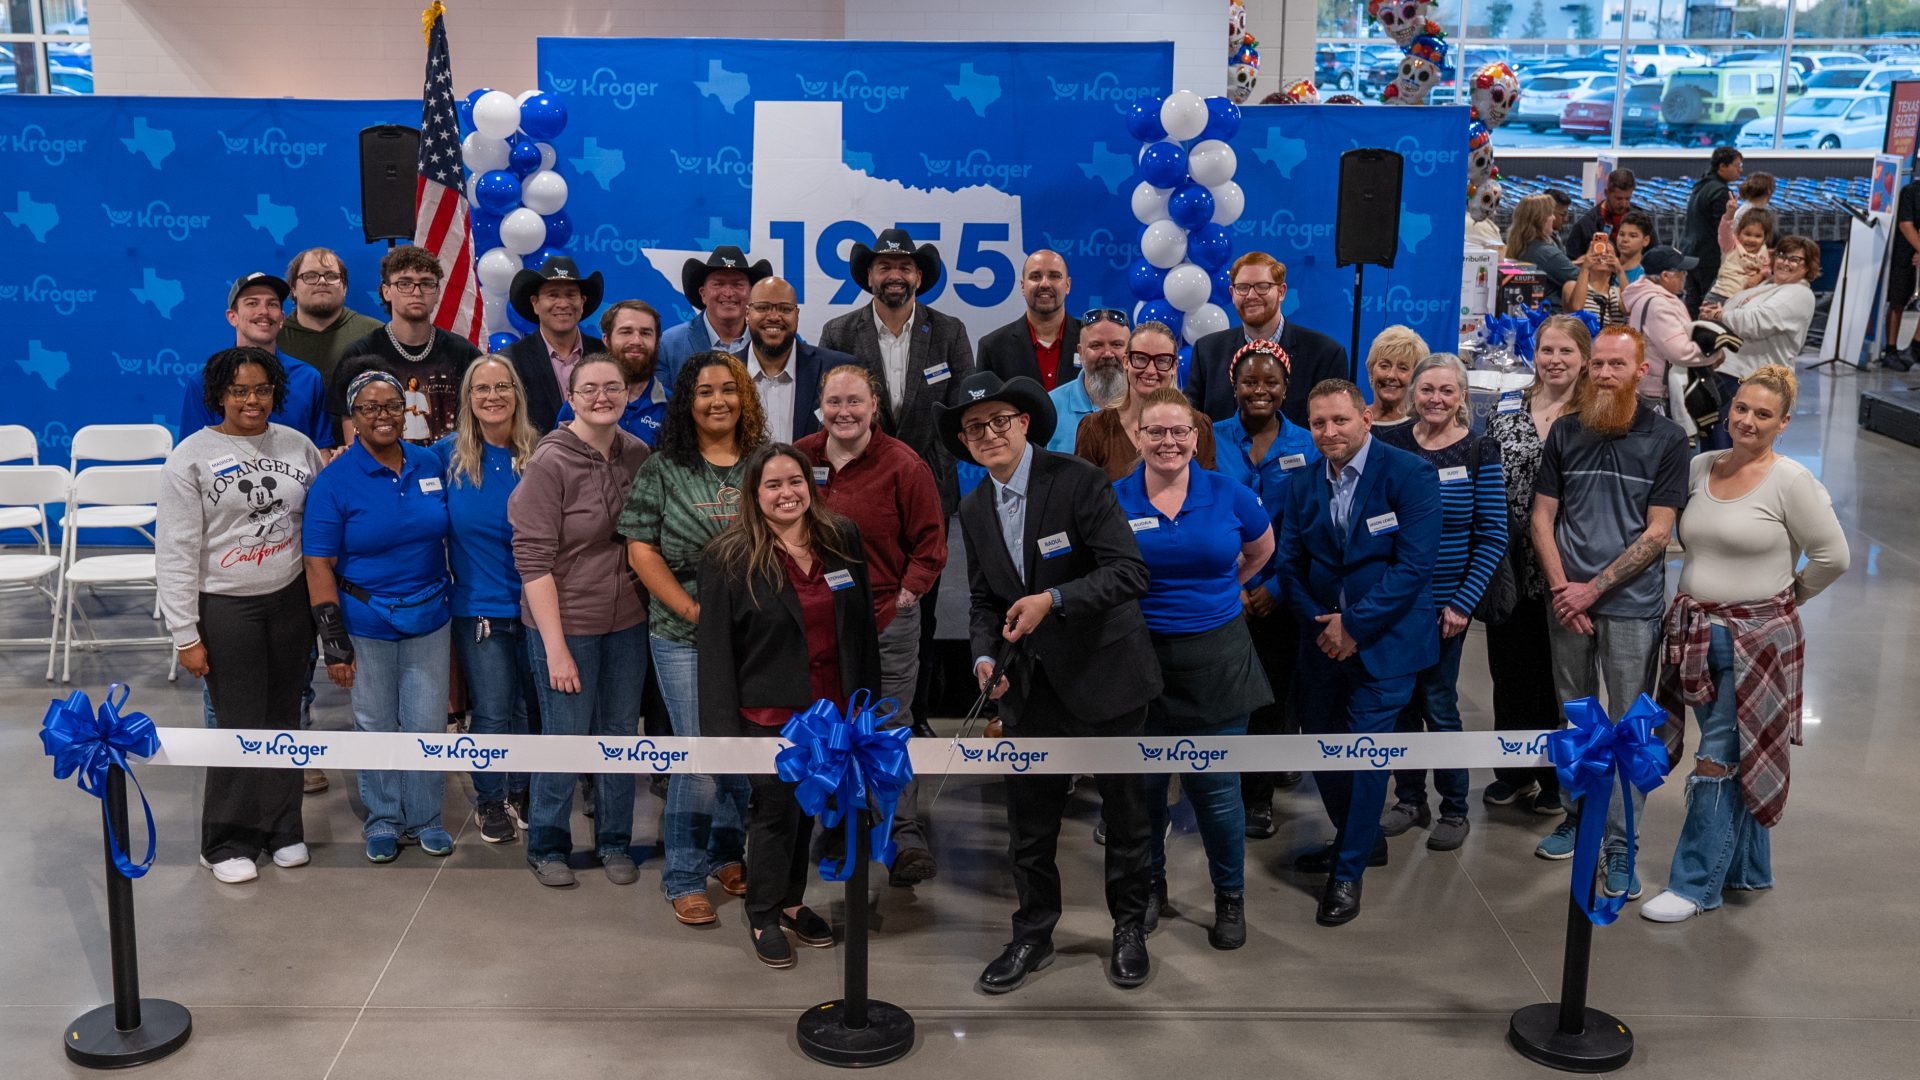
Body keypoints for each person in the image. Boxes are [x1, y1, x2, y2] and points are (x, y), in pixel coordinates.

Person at [938, 371, 1162, 993]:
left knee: (1127, 819)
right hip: (1030, 693)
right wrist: (984, 659)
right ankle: (1033, 933)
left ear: (1026, 423)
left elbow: (1128, 573)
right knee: (1029, 829)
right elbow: (984, 602)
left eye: (1000, 421)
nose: (989, 434)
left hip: (1107, 678)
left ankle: (1128, 929)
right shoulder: (974, 504)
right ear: (964, 440)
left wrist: (1053, 599)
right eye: (974, 427)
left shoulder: (1078, 481)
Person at [1642, 366, 1849, 922]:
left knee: (1717, 758)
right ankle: (1748, 869)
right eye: (1742, 409)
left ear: (1782, 424)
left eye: (1763, 414)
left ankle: (1694, 885)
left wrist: (1782, 600)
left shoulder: (1792, 482)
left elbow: (1834, 556)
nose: (1748, 421)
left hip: (1758, 643)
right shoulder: (1701, 467)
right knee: (1741, 753)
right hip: (1695, 636)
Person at [698, 444, 882, 968]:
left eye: (795, 481)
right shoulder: (728, 556)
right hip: (768, 716)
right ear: (754, 496)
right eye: (773, 485)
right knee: (775, 810)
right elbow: (714, 653)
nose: (787, 493)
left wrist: (868, 710)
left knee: (810, 810)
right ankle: (761, 912)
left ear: (811, 484)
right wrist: (722, 738)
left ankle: (791, 901)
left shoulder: (840, 537)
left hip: (834, 710)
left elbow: (861, 630)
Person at [1531, 326, 1690, 901]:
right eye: (1596, 364)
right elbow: (1542, 517)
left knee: (1628, 728)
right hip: (1566, 603)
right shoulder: (1567, 432)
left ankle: (1622, 840)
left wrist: (1590, 590)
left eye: (1615, 365)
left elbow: (1659, 533)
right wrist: (1560, 589)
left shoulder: (1669, 439)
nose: (1602, 374)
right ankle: (1578, 814)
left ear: (1642, 370)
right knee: (1573, 718)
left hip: (1629, 608)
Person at [1275, 379, 1441, 926]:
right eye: (1318, 423)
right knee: (1322, 743)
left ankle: (1347, 872)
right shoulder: (1301, 482)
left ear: (1365, 418)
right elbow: (1290, 566)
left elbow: (1414, 568)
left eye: (1340, 421)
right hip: (1321, 640)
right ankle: (1360, 839)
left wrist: (1355, 625)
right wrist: (1325, 625)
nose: (1329, 432)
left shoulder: (1409, 474)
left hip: (1386, 643)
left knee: (1368, 754)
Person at [1113, 386, 1274, 950]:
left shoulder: (1231, 494)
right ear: (1137, 436)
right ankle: (1151, 886)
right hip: (1140, 662)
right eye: (1155, 431)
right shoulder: (1113, 498)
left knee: (1219, 793)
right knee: (1146, 791)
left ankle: (1230, 898)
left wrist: (1223, 591)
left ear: (1196, 436)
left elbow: (1260, 550)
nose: (1168, 441)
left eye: (1179, 431)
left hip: (1218, 660)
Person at [159, 347, 327, 883]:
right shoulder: (191, 456)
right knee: (237, 722)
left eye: (261, 389)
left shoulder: (298, 445)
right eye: (239, 391)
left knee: (285, 718)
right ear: (219, 396)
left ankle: (283, 828)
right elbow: (176, 551)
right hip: (227, 606)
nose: (252, 400)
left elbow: (318, 525)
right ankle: (226, 840)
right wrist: (185, 633)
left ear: (275, 391)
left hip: (289, 599)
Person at [620, 351, 765, 923]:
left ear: (744, 399)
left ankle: (729, 855)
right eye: (704, 392)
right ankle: (682, 873)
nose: (717, 401)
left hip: (754, 634)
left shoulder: (763, 463)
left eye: (728, 390)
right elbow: (640, 547)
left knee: (741, 751)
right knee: (699, 755)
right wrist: (692, 609)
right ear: (688, 402)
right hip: (682, 630)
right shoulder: (663, 467)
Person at [796, 365, 946, 885]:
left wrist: (906, 597)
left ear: (874, 406)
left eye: (855, 402)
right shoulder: (801, 457)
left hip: (887, 620)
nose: (844, 412)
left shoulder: (904, 466)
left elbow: (931, 545)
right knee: (830, 726)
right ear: (821, 404)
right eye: (834, 401)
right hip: (817, 622)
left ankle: (902, 836)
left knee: (888, 729)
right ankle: (841, 826)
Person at [509, 353, 651, 887]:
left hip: (627, 623)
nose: (601, 397)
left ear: (627, 394)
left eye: (612, 387)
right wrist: (556, 648)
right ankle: (547, 844)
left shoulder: (637, 454)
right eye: (588, 388)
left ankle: (615, 840)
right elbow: (532, 562)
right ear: (570, 397)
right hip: (565, 624)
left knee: (618, 734)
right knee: (565, 737)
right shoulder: (550, 462)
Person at [303, 371, 454, 863]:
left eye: (392, 406)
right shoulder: (334, 482)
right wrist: (333, 641)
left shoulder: (430, 463)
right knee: (375, 722)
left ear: (405, 411)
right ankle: (385, 818)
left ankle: (426, 816)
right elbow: (317, 564)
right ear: (354, 418)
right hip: (365, 620)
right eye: (369, 408)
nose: (382, 416)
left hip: (431, 614)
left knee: (427, 721)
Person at [1375, 356, 1507, 852]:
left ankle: (1454, 806)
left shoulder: (1479, 450)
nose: (1435, 399)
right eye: (1427, 389)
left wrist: (1461, 605)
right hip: (1397, 604)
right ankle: (1410, 799)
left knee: (1439, 704)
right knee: (1401, 705)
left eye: (1447, 391)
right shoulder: (1391, 444)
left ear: (1462, 396)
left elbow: (1492, 535)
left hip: (1446, 608)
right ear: (1413, 392)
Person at [1210, 340, 1319, 835]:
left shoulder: (1307, 444)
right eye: (1249, 381)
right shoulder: (1209, 437)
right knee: (1224, 698)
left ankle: (1258, 799)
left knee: (1273, 700)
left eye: (1270, 382)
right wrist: (1232, 586)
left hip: (1283, 594)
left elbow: (1311, 528)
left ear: (1285, 388)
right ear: (1234, 385)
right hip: (1221, 595)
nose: (1260, 390)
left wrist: (1274, 585)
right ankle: (1220, 793)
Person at [430, 356, 540, 845]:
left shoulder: (542, 453)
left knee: (528, 708)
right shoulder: (446, 456)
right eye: (481, 389)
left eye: (502, 386)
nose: (492, 396)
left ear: (516, 393)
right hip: (479, 607)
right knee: (493, 709)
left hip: (541, 609)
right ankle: (491, 799)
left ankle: (523, 790)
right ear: (467, 399)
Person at [1483, 315, 1588, 816]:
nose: (1555, 360)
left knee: (1557, 674)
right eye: (1547, 350)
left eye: (1566, 351)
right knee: (1509, 670)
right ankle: (1513, 771)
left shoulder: (1594, 416)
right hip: (1509, 563)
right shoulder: (1507, 410)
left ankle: (1553, 777)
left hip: (1568, 565)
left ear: (1583, 358)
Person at [817, 228, 975, 517]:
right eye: (884, 267)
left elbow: (962, 412)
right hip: (858, 483)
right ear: (869, 276)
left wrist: (924, 468)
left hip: (931, 483)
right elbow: (827, 413)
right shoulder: (837, 333)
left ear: (919, 277)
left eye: (905, 267)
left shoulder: (950, 332)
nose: (895, 276)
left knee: (926, 563)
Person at [331, 247, 482, 446]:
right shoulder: (360, 355)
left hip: (453, 469)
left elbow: (480, 421)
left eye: (426, 284)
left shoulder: (464, 353)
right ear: (386, 291)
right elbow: (353, 437)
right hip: (384, 471)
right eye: (405, 283)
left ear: (437, 293)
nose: (417, 292)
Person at [1187, 251, 1349, 425]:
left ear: (1281, 292)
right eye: (1243, 287)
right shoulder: (1207, 351)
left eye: (1262, 286)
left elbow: (1333, 428)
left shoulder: (1325, 354)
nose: (1251, 295)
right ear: (1232, 293)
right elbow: (1193, 422)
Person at [179, 273, 334, 452]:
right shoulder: (204, 381)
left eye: (272, 304)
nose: (264, 311)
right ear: (232, 317)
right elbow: (191, 454)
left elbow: (321, 451)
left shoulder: (308, 378)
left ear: (282, 318)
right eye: (252, 303)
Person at [1701, 236, 1819, 450]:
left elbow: (1755, 322)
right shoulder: (1768, 285)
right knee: (1716, 446)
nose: (1785, 262)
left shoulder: (1799, 294)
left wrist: (1720, 315)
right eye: (1782, 256)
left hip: (1753, 379)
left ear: (1808, 266)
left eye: (1794, 259)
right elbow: (1736, 309)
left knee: (1731, 448)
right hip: (1731, 374)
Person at [1075, 321, 1217, 480]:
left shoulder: (1199, 426)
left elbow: (1207, 492)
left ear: (1174, 366)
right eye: (1141, 359)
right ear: (1126, 361)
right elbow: (1084, 498)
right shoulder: (1095, 428)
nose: (1150, 370)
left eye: (1162, 360)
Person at [735, 277, 868, 443]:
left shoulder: (837, 369)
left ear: (796, 315)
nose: (774, 316)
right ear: (747, 314)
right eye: (763, 308)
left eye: (785, 309)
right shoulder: (725, 371)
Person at [504, 255, 607, 432]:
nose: (563, 303)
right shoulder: (510, 361)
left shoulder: (606, 356)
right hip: (535, 457)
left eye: (570, 294)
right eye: (553, 295)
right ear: (535, 304)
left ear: (582, 302)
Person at [658, 246, 772, 390]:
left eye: (738, 284)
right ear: (703, 294)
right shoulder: (669, 345)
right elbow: (662, 408)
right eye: (718, 284)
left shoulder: (770, 342)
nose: (728, 293)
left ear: (751, 294)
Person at [558, 299, 671, 443]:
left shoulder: (672, 406)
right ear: (606, 339)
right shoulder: (580, 402)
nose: (636, 340)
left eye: (645, 333)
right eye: (626, 332)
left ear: (657, 342)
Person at [1623, 246, 1716, 417]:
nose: (1684, 276)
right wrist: (1713, 354)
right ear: (1665, 276)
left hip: (1654, 387)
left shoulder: (1649, 297)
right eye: (1681, 271)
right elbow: (1680, 352)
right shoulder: (1658, 305)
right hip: (1660, 392)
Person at [977, 250, 1082, 391]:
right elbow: (984, 410)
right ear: (1022, 286)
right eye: (1035, 276)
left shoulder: (1092, 340)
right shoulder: (992, 348)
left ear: (1068, 285)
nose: (1045, 284)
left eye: (1054, 276)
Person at [277, 247, 384, 384]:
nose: (322, 281)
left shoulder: (375, 334)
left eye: (331, 276)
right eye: (310, 276)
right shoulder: (274, 338)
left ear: (344, 287)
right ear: (293, 288)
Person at [1045, 309, 1131, 452]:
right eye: (1096, 345)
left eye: (1117, 345)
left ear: (1130, 351)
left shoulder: (1145, 404)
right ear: (1080, 352)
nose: (1108, 354)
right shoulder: (1050, 406)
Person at [1682, 147, 1744, 314]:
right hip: (1707, 255)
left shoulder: (1702, 184)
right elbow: (1722, 227)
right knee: (1707, 304)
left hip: (1690, 250)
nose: (1741, 169)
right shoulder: (1720, 191)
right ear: (1722, 166)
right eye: (1737, 165)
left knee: (1693, 302)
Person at [1504, 194, 1584, 304]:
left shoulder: (1521, 246)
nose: (1554, 218)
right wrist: (1589, 267)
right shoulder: (1546, 253)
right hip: (1554, 313)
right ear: (1540, 219)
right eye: (1550, 214)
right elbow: (1582, 280)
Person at [1566, 168, 1659, 260]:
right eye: (1618, 199)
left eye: (1627, 199)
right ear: (1607, 193)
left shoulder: (1641, 220)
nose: (1623, 204)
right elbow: (1573, 262)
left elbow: (1656, 255)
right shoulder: (1585, 225)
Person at [1882, 169, 1920, 371]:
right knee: (1897, 302)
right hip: (1903, 254)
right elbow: (1906, 225)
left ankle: (1915, 347)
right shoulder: (1910, 191)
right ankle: (1891, 350)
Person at [1705, 203, 1776, 308]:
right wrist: (1729, 213)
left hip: (1742, 300)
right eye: (1747, 234)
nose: (1751, 240)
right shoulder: (1731, 245)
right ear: (1738, 233)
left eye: (1758, 236)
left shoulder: (1763, 250)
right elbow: (1724, 230)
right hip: (1719, 296)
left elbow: (1767, 268)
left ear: (1765, 238)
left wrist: (1759, 276)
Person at [1364, 325, 1430, 430]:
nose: (1391, 375)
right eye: (1384, 366)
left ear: (1417, 378)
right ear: (1371, 370)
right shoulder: (1353, 421)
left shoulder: (1424, 428)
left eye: (1403, 368)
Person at [1613, 210, 1656, 285]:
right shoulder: (1606, 267)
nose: (1625, 240)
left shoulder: (1647, 275)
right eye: (1621, 234)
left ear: (1646, 240)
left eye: (1633, 236)